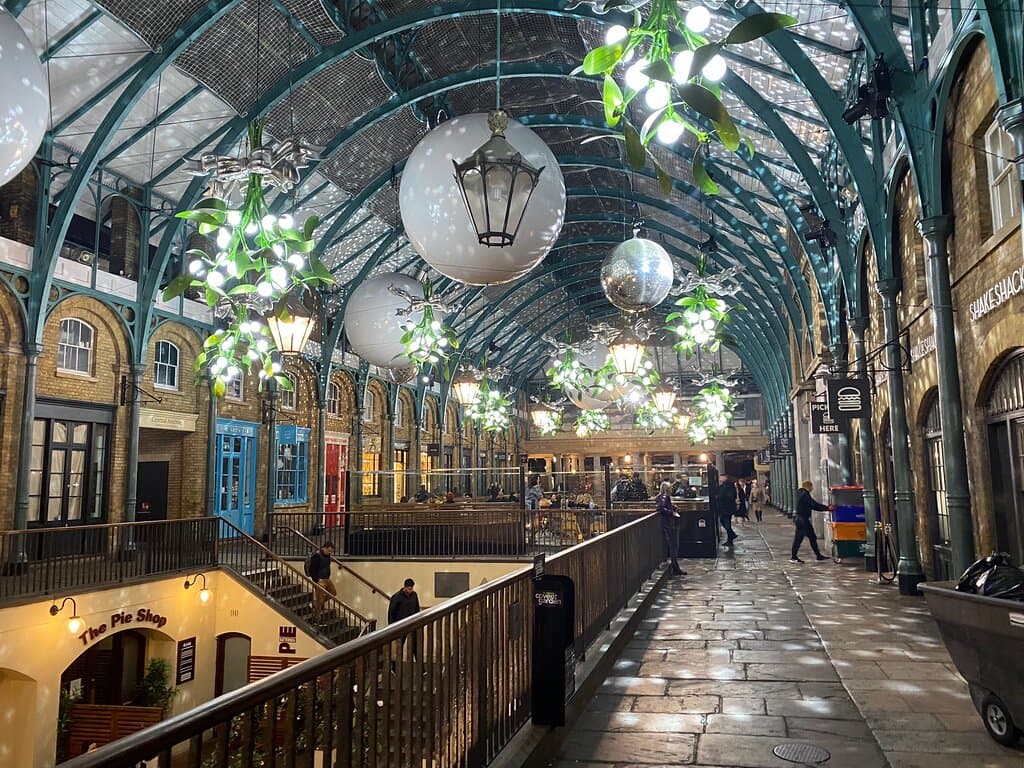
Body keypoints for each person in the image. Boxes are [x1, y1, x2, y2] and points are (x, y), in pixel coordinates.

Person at [791, 481, 831, 563]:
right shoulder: (805, 494)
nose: (812, 489)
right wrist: (827, 508)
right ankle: (793, 557)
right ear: (808, 486)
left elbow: (812, 504)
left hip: (802, 519)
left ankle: (818, 555)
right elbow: (813, 504)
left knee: (812, 537)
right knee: (798, 539)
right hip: (802, 520)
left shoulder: (801, 493)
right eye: (811, 487)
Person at [656, 481, 685, 576]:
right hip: (669, 524)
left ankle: (675, 566)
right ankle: (675, 567)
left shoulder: (661, 497)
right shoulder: (665, 497)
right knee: (674, 545)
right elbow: (661, 508)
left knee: (673, 545)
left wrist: (672, 507)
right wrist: (671, 512)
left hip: (666, 523)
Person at [388, 578, 421, 661]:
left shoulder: (414, 595)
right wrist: (392, 626)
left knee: (415, 645)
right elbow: (391, 613)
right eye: (409, 589)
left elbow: (417, 608)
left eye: (412, 589)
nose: (411, 591)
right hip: (400, 625)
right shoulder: (396, 597)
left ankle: (420, 666)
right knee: (399, 646)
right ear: (405, 587)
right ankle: (395, 666)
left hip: (412, 623)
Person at [306, 541, 337, 623]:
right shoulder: (317, 556)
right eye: (329, 551)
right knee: (319, 599)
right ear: (324, 548)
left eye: (331, 551)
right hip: (320, 580)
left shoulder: (328, 556)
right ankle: (317, 619)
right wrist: (316, 580)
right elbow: (313, 570)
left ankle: (315, 603)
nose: (330, 553)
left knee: (333, 593)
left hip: (327, 578)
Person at [716, 476, 739, 547]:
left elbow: (722, 496)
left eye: (721, 477)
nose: (719, 479)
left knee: (724, 522)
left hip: (725, 508)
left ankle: (732, 534)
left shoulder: (725, 487)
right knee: (726, 522)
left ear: (724, 478)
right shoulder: (730, 486)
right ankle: (730, 540)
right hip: (728, 508)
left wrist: (717, 497)